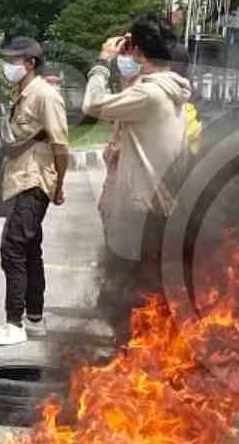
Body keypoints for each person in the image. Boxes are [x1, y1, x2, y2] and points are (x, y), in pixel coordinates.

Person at [83, 14, 193, 278]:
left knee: (132, 287)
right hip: (161, 204)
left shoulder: (150, 94)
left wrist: (103, 61)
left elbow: (92, 104)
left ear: (139, 52)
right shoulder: (173, 89)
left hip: (140, 210)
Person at [0, 37, 69, 347]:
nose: (7, 66)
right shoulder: (20, 93)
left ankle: (14, 322)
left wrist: (58, 185)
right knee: (30, 249)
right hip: (18, 179)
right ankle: (34, 318)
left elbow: (61, 147)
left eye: (13, 60)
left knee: (13, 249)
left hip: (35, 181)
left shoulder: (45, 96)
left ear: (30, 63)